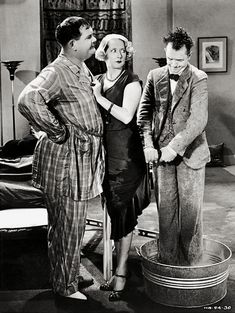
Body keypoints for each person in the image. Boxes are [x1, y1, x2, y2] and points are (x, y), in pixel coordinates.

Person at [18, 16, 105, 300]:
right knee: (68, 225)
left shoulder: (79, 67)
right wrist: (56, 131)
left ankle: (67, 273)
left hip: (79, 160)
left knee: (71, 225)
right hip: (66, 163)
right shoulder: (57, 70)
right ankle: (65, 288)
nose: (94, 41)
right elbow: (28, 100)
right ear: (72, 43)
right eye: (89, 37)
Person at [137, 27, 210, 266]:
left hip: (191, 154)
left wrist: (175, 146)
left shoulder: (199, 78)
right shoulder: (154, 76)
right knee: (165, 213)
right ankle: (167, 265)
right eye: (169, 59)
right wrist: (148, 144)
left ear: (189, 56)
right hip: (160, 156)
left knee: (190, 215)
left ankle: (192, 267)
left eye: (179, 61)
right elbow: (144, 115)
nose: (174, 65)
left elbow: (198, 120)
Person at [92, 34, 150, 301]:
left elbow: (127, 116)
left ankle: (122, 272)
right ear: (103, 53)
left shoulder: (133, 82)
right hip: (106, 158)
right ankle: (118, 267)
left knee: (124, 216)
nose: (118, 55)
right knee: (116, 214)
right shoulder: (100, 80)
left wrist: (98, 97)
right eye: (112, 50)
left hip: (127, 158)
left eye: (123, 50)